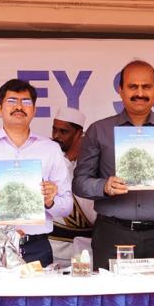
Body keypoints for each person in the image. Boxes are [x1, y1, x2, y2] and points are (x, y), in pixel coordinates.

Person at [74, 60, 154, 269]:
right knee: (112, 291)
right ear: (120, 90)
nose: (140, 93)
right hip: (112, 234)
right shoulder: (99, 130)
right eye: (133, 86)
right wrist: (103, 186)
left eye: (146, 87)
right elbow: (79, 183)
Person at [0, 79, 73, 266]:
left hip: (37, 246)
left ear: (34, 110)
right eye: (12, 101)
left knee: (39, 288)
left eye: (26, 102)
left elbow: (67, 206)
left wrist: (50, 201)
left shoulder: (51, 149)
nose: (19, 106)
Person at [49, 107, 96, 265]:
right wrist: (69, 157)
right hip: (54, 246)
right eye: (54, 129)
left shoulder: (90, 158)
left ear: (78, 134)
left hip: (87, 248)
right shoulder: (48, 155)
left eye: (64, 132)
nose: (56, 136)